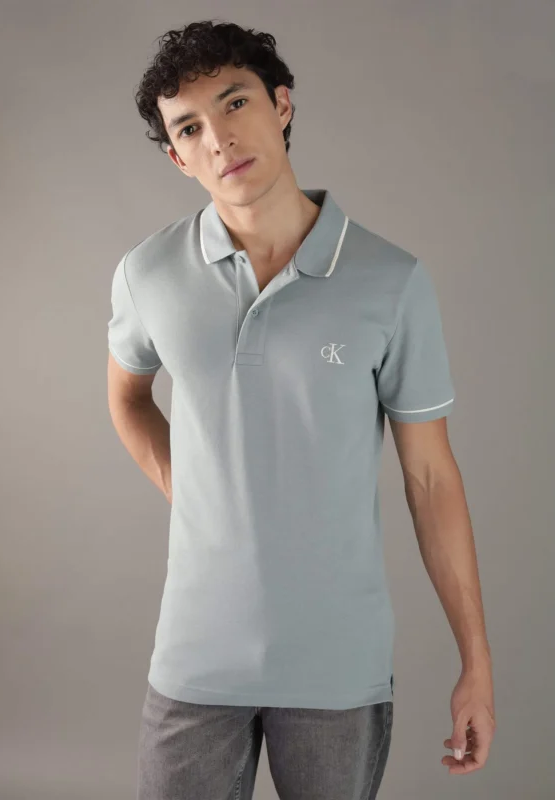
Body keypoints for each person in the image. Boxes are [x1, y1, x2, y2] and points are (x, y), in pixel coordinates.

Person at [107, 20, 496, 800]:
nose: (219, 138)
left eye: (235, 103)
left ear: (281, 105)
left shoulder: (390, 280)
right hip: (194, 659)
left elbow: (431, 479)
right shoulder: (148, 273)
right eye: (190, 128)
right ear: (178, 157)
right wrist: (194, 494)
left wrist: (476, 665)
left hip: (338, 671)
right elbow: (127, 397)